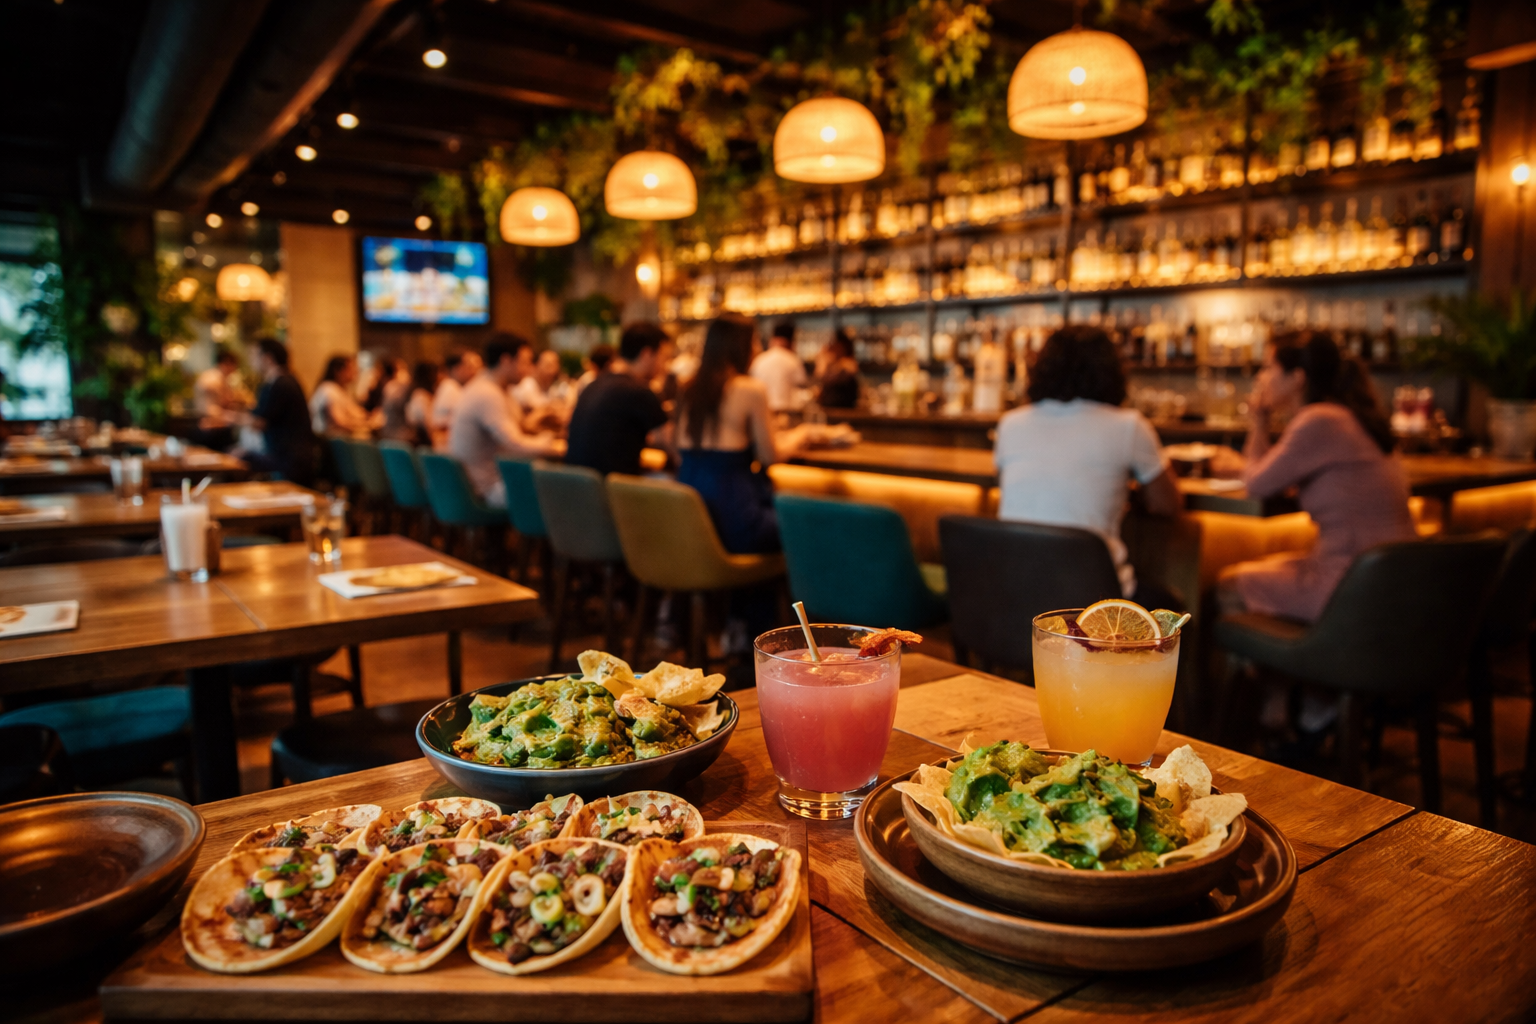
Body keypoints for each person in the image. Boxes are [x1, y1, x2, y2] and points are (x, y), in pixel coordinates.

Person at [1217, 332, 1415, 623]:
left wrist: (1256, 426)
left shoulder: (1320, 420)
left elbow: (1256, 485)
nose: (1260, 378)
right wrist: (1260, 423)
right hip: (1398, 577)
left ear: (1297, 378)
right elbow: (1261, 474)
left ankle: (1277, 665)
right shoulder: (1351, 415)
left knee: (1228, 584)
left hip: (1354, 585)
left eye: (1268, 367)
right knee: (1265, 565)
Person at [993, 325, 1182, 603]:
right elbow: (1169, 504)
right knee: (1173, 610)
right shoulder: (1129, 426)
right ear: (1111, 371)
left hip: (1012, 595)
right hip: (1095, 603)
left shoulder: (1010, 424)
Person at [675, 314, 805, 554]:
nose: (758, 348)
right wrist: (803, 437)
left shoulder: (688, 388)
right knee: (808, 526)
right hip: (735, 520)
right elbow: (770, 456)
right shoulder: (750, 389)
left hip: (691, 522)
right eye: (754, 341)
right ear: (740, 346)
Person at [447, 333, 561, 506]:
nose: (530, 370)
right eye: (525, 362)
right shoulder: (487, 393)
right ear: (506, 360)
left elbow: (518, 428)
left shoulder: (491, 388)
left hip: (471, 484)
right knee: (565, 494)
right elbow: (515, 443)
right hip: (485, 489)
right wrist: (556, 448)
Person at [565, 324, 671, 477]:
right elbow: (671, 445)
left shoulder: (593, 385)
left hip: (579, 489)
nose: (665, 367)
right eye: (664, 358)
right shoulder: (640, 391)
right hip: (614, 492)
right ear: (647, 354)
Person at [241, 337, 316, 486]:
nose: (251, 360)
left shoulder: (281, 384)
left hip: (290, 460)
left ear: (268, 358)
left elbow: (259, 422)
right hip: (284, 456)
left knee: (241, 460)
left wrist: (227, 418)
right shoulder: (277, 382)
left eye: (254, 355)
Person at [750, 320, 808, 413]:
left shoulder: (758, 360)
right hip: (787, 412)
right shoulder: (793, 360)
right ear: (791, 343)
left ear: (772, 340)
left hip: (763, 410)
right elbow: (801, 388)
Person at [310, 354, 373, 438]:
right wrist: (368, 423)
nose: (355, 372)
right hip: (328, 443)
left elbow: (355, 413)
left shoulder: (338, 389)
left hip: (336, 442)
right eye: (350, 368)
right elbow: (339, 421)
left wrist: (369, 417)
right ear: (337, 371)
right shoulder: (328, 390)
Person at [431, 348, 483, 450]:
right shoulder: (451, 388)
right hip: (451, 452)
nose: (475, 371)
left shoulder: (453, 387)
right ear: (456, 369)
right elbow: (442, 427)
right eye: (469, 366)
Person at [814, 329, 861, 409]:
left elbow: (827, 379)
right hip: (830, 411)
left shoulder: (848, 365)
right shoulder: (833, 365)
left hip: (845, 412)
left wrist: (824, 362)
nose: (831, 348)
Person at [378, 358, 417, 443]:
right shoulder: (396, 388)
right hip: (400, 435)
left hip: (388, 433)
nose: (405, 372)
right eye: (402, 369)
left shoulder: (388, 386)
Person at [403, 361, 439, 447]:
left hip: (419, 440)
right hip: (424, 442)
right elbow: (426, 423)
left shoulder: (415, 392)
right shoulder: (421, 395)